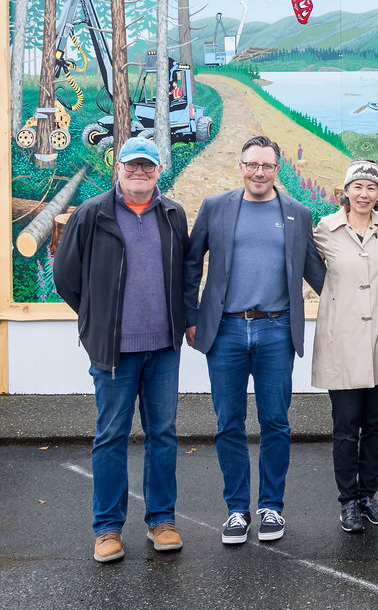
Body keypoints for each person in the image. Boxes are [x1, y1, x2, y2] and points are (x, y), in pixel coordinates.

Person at [184, 135, 326, 545]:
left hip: (276, 329)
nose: (259, 172)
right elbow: (191, 266)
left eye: (267, 166)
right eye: (252, 165)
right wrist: (192, 318)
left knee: (275, 422)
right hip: (225, 330)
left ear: (277, 170)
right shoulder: (215, 208)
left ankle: (270, 508)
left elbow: (319, 275)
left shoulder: (298, 213)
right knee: (228, 423)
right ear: (241, 166)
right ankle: (235, 511)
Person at [54, 137, 188, 563]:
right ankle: (108, 529)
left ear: (157, 172)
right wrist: (96, 317)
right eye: (132, 166)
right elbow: (65, 277)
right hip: (113, 349)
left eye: (148, 167)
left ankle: (162, 521)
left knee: (163, 435)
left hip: (164, 348)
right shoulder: (92, 214)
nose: (139, 173)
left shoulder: (172, 214)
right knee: (111, 436)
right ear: (118, 168)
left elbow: (183, 272)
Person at [312, 160, 378, 533]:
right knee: (346, 426)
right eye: (357, 187)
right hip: (342, 342)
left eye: (371, 188)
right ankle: (347, 500)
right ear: (345, 191)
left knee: (376, 425)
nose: (364, 194)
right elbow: (312, 270)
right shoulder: (325, 230)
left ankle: (368, 495)